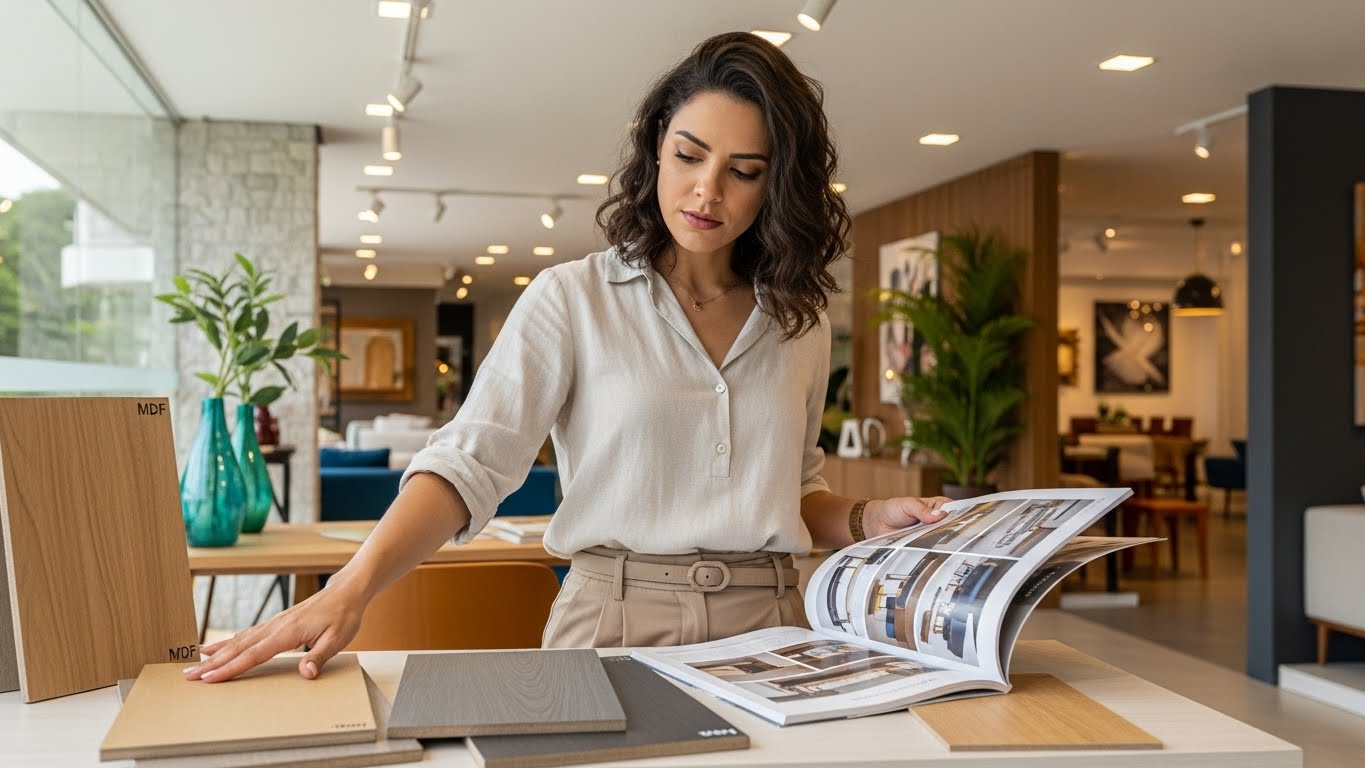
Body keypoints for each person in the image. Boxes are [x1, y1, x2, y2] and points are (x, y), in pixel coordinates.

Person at [184, 31, 949, 684]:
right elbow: (469, 462)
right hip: (611, 618)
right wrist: (348, 589)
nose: (706, 190)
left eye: (743, 172)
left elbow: (794, 485)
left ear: (773, 188)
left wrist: (862, 514)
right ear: (655, 150)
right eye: (688, 155)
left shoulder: (798, 320)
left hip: (776, 625)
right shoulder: (571, 297)